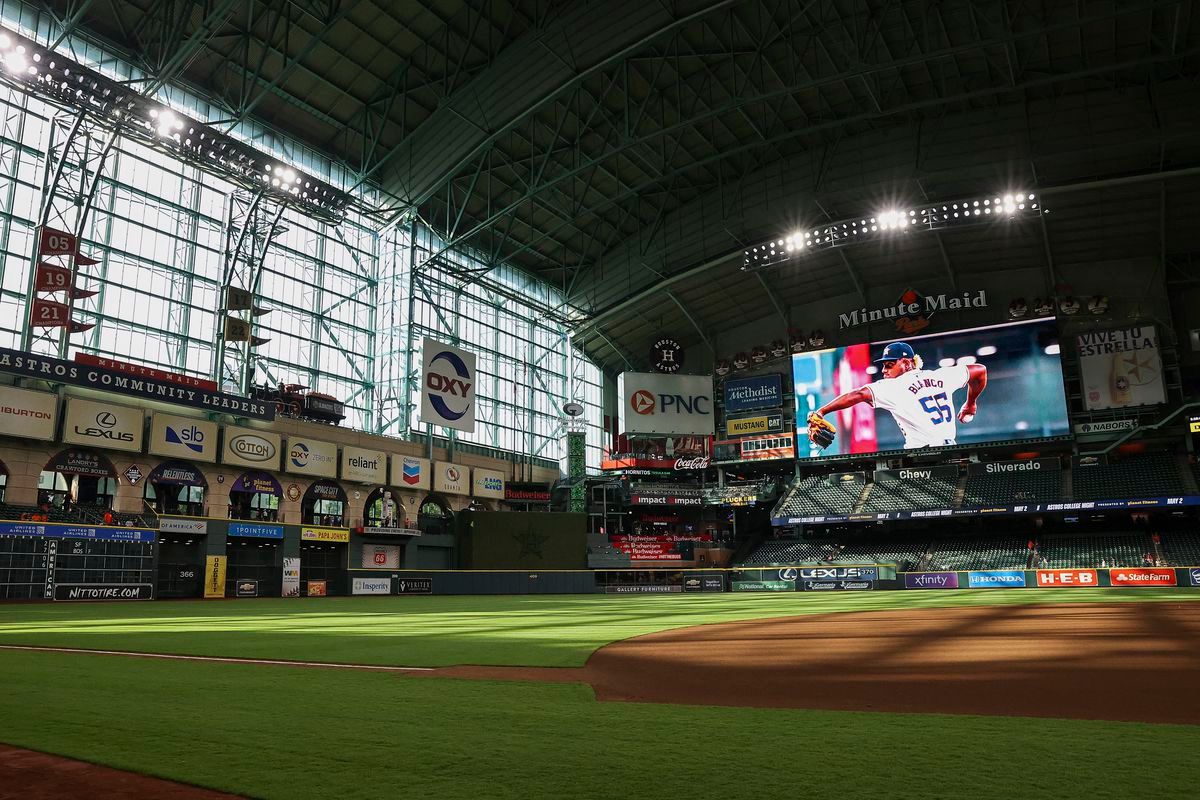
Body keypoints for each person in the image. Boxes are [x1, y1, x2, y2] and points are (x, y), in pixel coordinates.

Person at [806, 341, 988, 450]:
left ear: (907, 363)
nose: (884, 370)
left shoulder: (895, 386)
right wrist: (970, 403)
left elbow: (859, 394)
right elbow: (980, 370)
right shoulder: (941, 376)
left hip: (922, 458)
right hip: (950, 452)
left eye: (890, 365)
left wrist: (821, 411)